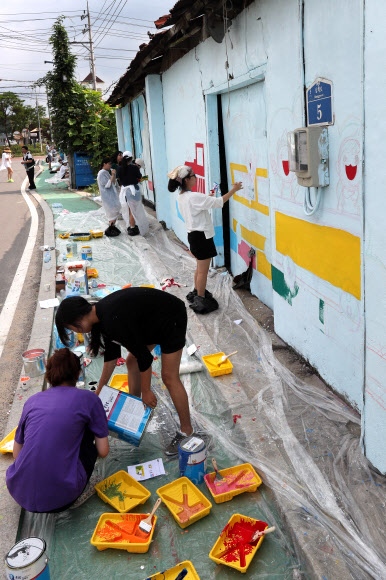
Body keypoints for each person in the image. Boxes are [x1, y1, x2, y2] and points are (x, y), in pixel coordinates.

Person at [55, 288, 194, 456]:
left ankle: (187, 431)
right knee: (131, 361)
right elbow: (112, 357)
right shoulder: (100, 317)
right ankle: (135, 408)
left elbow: (145, 359)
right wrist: (100, 389)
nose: (76, 332)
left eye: (72, 328)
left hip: (171, 318)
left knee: (169, 377)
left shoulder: (112, 319)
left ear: (77, 320)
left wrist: (147, 390)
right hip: (152, 322)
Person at [6, 348, 109, 513]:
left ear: (49, 374)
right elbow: (103, 451)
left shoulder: (32, 401)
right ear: (77, 374)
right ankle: (77, 483)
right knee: (86, 429)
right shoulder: (90, 399)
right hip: (63, 498)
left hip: (19, 493)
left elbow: (17, 454)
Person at [168, 165, 243, 314]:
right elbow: (219, 203)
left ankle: (197, 291)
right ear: (187, 179)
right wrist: (234, 190)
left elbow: (199, 205)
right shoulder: (193, 197)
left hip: (194, 236)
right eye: (194, 175)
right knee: (203, 271)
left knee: (199, 268)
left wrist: (207, 197)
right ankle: (200, 298)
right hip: (202, 237)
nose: (196, 177)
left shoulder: (182, 196)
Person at [117, 151, 149, 236]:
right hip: (133, 191)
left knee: (127, 209)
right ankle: (132, 227)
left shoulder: (119, 168)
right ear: (131, 159)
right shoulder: (134, 168)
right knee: (133, 210)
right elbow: (140, 177)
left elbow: (119, 179)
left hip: (124, 191)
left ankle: (129, 225)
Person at [97, 156, 121, 237]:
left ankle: (112, 227)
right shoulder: (101, 173)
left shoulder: (106, 172)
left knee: (114, 211)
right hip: (107, 197)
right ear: (104, 164)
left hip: (112, 195)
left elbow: (113, 183)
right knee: (111, 213)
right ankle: (110, 229)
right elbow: (107, 185)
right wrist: (112, 175)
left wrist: (113, 175)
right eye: (109, 164)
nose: (110, 166)